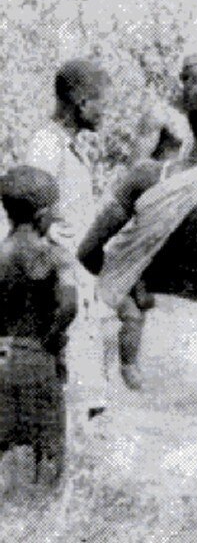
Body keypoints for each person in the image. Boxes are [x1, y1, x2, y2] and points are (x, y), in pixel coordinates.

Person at [77, 80, 197, 497]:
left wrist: (127, 295)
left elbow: (89, 251)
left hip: (145, 334)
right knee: (190, 481)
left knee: (130, 471)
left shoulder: (146, 176)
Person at [24, 58, 110, 424]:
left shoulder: (70, 147)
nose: (105, 109)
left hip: (79, 285)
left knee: (85, 395)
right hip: (62, 289)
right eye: (101, 100)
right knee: (68, 395)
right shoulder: (47, 144)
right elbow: (30, 199)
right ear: (81, 102)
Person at [0, 166, 78, 484]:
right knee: (47, 449)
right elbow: (69, 306)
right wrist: (52, 338)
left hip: (2, 353)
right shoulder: (56, 258)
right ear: (43, 215)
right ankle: (42, 519)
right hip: (38, 355)